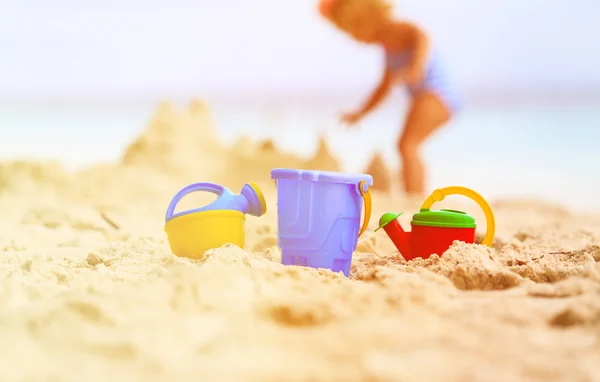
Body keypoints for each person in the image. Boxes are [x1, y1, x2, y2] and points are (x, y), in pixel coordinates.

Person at [318, 0, 462, 196]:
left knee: (407, 144)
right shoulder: (389, 49)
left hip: (437, 93)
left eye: (354, 29)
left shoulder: (399, 30)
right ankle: (414, 194)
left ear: (368, 17)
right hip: (427, 96)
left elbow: (421, 35)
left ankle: (415, 197)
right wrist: (360, 113)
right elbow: (383, 88)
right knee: (408, 145)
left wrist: (417, 66)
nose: (355, 38)